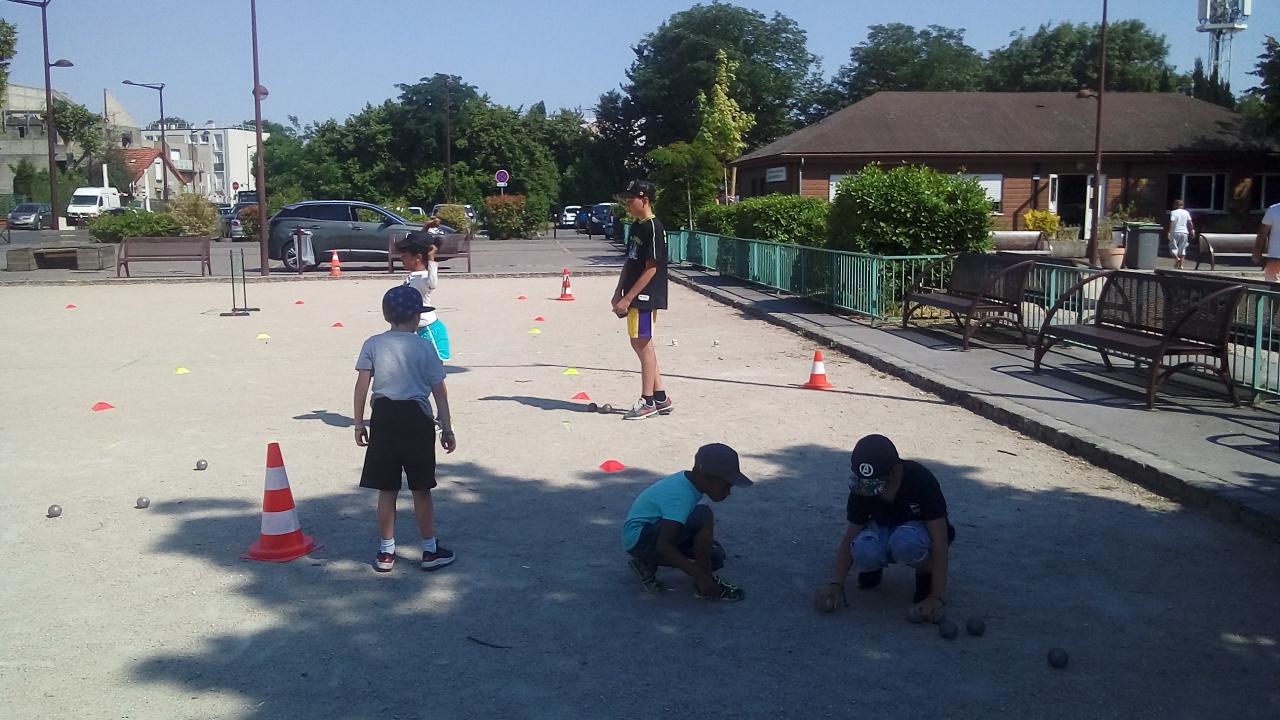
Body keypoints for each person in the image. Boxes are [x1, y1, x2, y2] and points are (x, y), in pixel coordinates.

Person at [353, 285, 457, 573]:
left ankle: (386, 551)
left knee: (387, 488)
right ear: (415, 318)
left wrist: (359, 422)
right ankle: (429, 549)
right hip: (417, 418)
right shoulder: (424, 346)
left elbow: (362, 385)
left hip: (384, 416)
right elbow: (440, 390)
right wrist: (446, 428)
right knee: (421, 488)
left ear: (387, 316)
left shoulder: (373, 343)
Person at [814, 435, 954, 622]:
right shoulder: (862, 486)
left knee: (905, 543)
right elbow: (851, 535)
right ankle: (873, 567)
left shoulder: (921, 480)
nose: (868, 489)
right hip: (882, 527)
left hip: (915, 532)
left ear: (896, 470)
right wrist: (836, 583)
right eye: (865, 481)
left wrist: (937, 596)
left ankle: (925, 573)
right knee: (863, 549)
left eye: (876, 483)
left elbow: (940, 539)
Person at [622, 443, 752, 601]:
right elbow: (663, 544)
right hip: (640, 536)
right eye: (726, 486)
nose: (728, 492)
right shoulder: (682, 495)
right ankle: (703, 585)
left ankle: (645, 563)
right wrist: (700, 575)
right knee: (704, 514)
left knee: (714, 557)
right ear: (707, 477)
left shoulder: (689, 482)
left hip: (644, 535)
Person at [611, 179, 671, 420]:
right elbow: (631, 261)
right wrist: (619, 292)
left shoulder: (653, 228)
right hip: (634, 294)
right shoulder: (636, 226)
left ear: (644, 200)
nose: (627, 204)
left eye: (630, 200)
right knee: (640, 343)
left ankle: (647, 401)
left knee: (642, 343)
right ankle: (660, 398)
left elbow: (651, 268)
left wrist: (629, 297)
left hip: (647, 295)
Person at [396, 226, 452, 361]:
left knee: (434, 374)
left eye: (405, 255)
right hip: (416, 330)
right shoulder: (413, 276)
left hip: (430, 331)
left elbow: (432, 283)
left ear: (418, 257)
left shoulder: (423, 278)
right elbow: (420, 239)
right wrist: (426, 227)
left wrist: (432, 259)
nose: (401, 257)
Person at [1254, 201, 1280, 283]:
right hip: (1275, 257)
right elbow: (1262, 233)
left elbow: (1263, 233)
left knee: (1273, 289)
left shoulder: (1274, 209)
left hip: (1275, 256)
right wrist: (1257, 252)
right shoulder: (1273, 209)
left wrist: (1256, 252)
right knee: (1272, 288)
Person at [1168, 199, 1194, 270]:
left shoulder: (1173, 212)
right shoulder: (1186, 212)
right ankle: (1181, 265)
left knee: (1173, 247)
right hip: (1184, 232)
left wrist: (1169, 231)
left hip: (1175, 231)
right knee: (1182, 248)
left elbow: (1172, 222)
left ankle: (1177, 258)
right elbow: (1190, 222)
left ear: (1175, 205)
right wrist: (1192, 230)